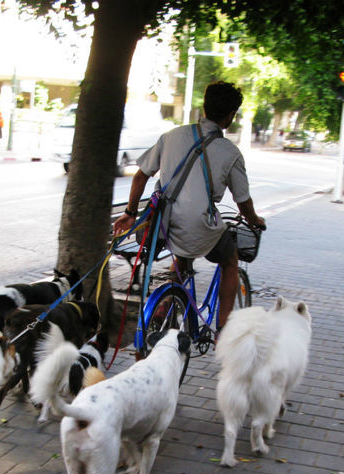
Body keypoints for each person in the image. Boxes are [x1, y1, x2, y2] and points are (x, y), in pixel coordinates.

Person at [112, 81, 265, 332]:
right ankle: (224, 332)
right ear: (230, 116)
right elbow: (243, 200)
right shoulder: (230, 152)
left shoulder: (172, 136)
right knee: (229, 260)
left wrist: (130, 213)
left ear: (205, 107)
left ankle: (164, 307)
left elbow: (140, 176)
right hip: (198, 227)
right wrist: (254, 219)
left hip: (165, 224)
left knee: (183, 253)